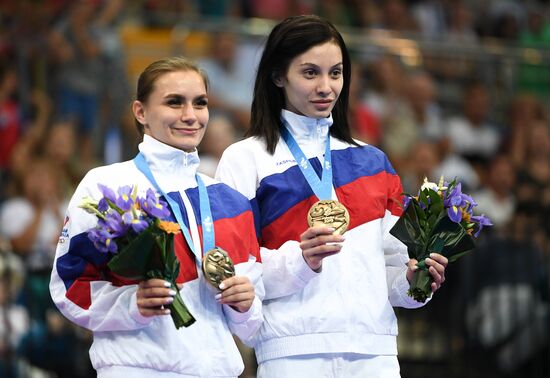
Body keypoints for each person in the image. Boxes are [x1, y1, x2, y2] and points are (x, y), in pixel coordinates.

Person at [216, 15, 448, 377]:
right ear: (278, 76)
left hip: (376, 355)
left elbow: (390, 270)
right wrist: (300, 260)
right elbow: (234, 269)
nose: (326, 86)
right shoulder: (245, 159)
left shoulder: (374, 162)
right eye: (310, 73)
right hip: (291, 354)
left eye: (335, 73)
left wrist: (415, 280)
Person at [49, 57, 264, 378]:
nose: (190, 116)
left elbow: (250, 324)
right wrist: (130, 304)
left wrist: (246, 305)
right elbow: (69, 286)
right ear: (141, 112)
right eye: (174, 102)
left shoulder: (230, 202)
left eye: (200, 103)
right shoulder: (107, 186)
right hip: (137, 368)